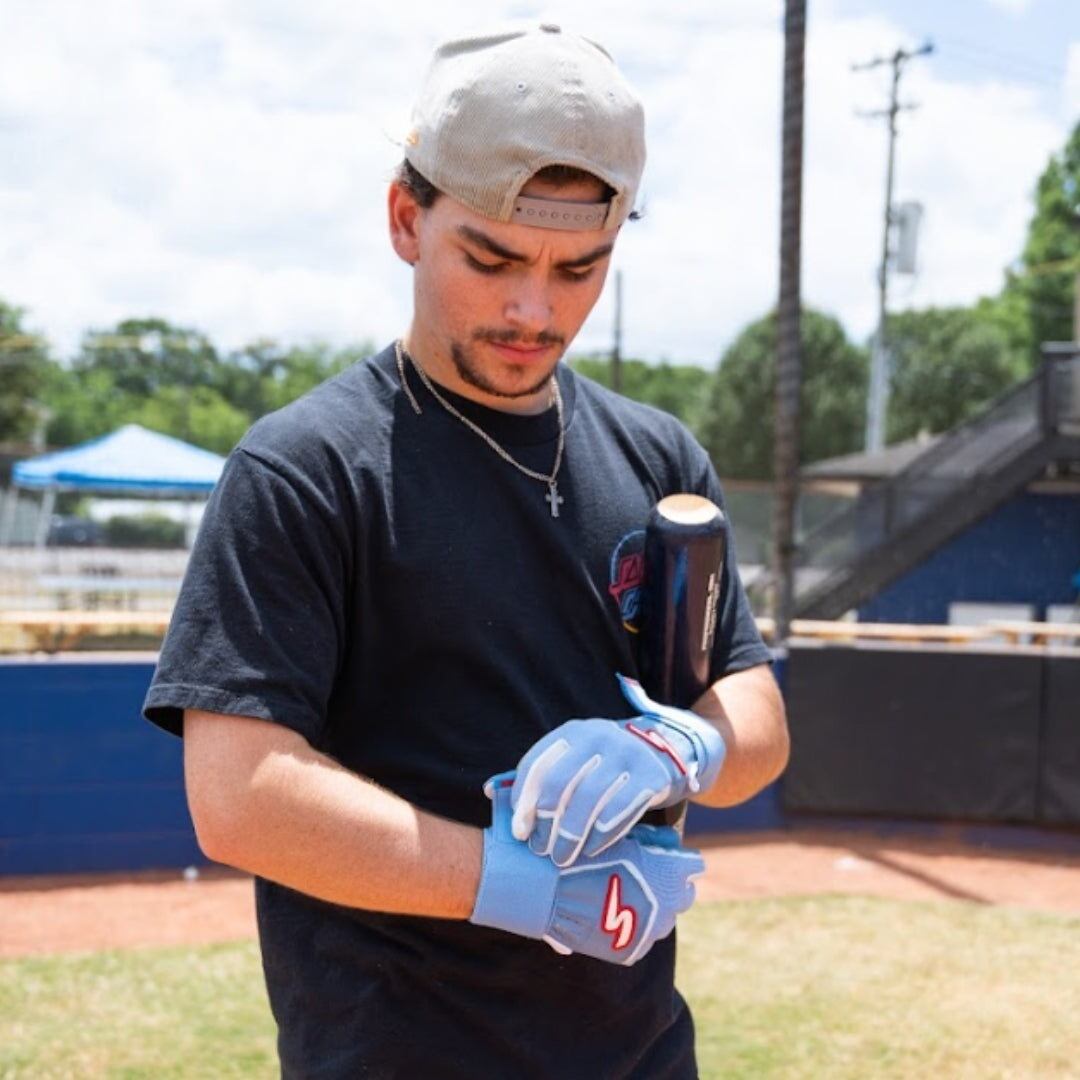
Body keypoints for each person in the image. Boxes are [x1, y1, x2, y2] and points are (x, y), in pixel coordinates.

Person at [144, 23, 789, 1079]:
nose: (535, 308)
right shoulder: (306, 469)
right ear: (408, 219)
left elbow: (756, 712)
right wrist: (515, 884)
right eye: (491, 259)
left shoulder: (662, 457)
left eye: (580, 268)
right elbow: (239, 795)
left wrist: (686, 750)